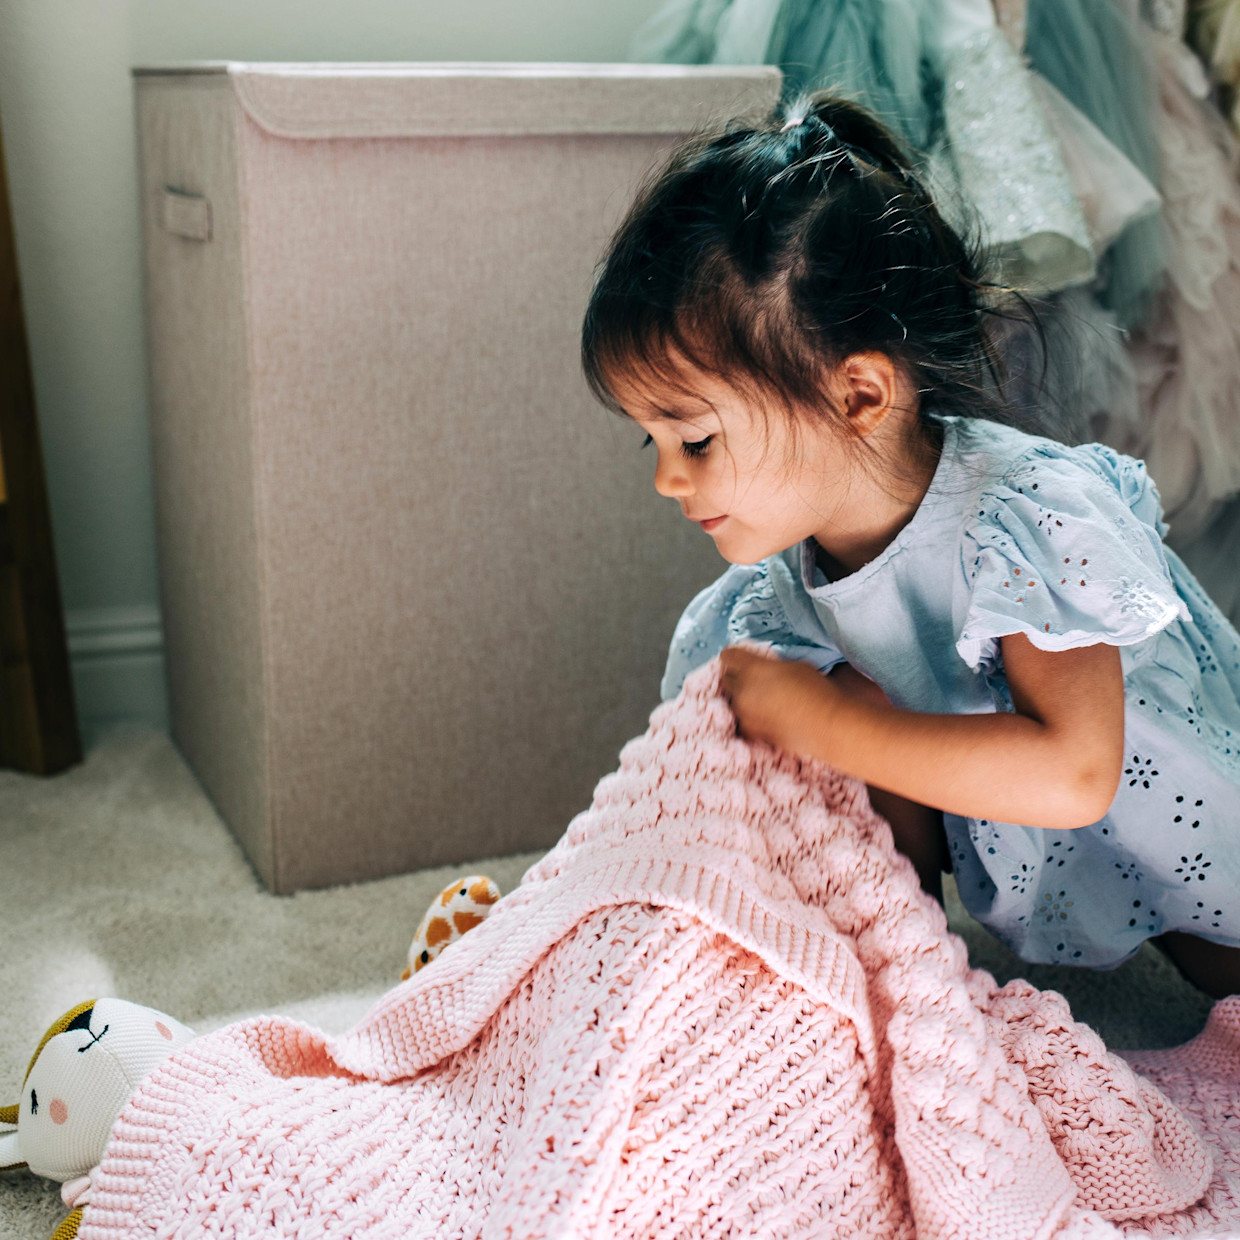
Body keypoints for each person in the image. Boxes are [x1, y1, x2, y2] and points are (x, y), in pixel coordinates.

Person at [579, 89, 1240, 999]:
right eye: (648, 442)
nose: (666, 478)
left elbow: (1079, 772)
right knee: (826, 697)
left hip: (1196, 827)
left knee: (1224, 968)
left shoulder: (1025, 519)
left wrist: (828, 724)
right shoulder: (789, 594)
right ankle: (907, 983)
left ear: (859, 396)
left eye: (695, 439)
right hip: (1079, 869)